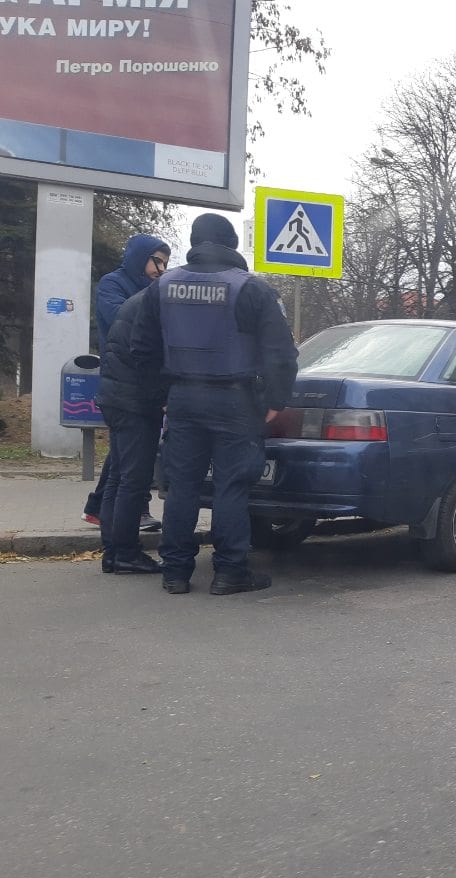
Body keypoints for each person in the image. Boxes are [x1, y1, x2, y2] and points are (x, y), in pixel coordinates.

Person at [131, 213, 298, 596]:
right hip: (235, 399)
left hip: (183, 399)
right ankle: (230, 573)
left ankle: (174, 573)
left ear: (194, 241)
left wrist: (163, 398)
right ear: (232, 245)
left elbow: (142, 348)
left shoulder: (162, 286)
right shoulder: (251, 289)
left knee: (182, 487)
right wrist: (276, 399)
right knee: (232, 487)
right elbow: (281, 353)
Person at [83, 234, 171, 529]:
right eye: (156, 260)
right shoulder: (113, 284)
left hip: (139, 382)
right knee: (130, 463)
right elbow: (124, 319)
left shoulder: (151, 289)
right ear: (139, 257)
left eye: (165, 263)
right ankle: (124, 526)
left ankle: (102, 512)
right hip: (124, 380)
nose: (160, 269)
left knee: (124, 458)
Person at [95, 288, 167, 575]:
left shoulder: (134, 302)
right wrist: (161, 397)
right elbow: (146, 355)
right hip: (134, 403)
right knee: (134, 481)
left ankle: (112, 551)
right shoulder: (153, 304)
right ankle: (126, 552)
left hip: (115, 398)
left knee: (117, 478)